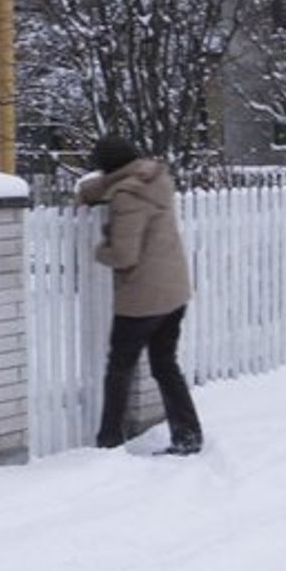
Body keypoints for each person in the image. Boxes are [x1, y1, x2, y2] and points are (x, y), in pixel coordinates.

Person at [76, 135, 204, 455]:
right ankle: (188, 435)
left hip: (143, 297)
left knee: (119, 367)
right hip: (173, 291)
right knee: (164, 364)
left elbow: (124, 255)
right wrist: (89, 193)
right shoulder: (155, 178)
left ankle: (109, 441)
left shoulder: (127, 195)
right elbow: (108, 186)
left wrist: (99, 251)